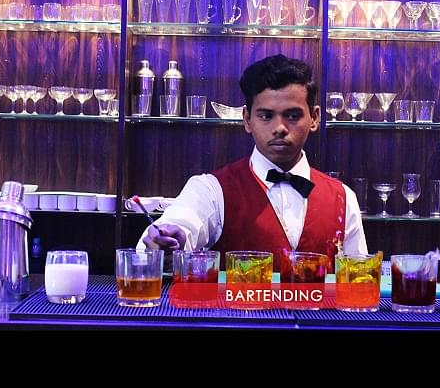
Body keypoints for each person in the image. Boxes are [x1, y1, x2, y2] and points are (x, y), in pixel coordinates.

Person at [139, 54, 367, 269]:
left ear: (314, 118)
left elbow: (359, 280)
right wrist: (166, 241)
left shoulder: (343, 197)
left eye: (293, 116)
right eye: (266, 116)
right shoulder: (211, 190)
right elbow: (181, 222)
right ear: (247, 120)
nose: (280, 128)